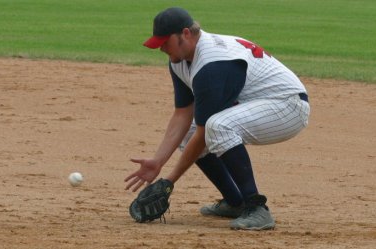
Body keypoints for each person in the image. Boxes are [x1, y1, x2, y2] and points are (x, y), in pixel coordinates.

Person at [125, 7, 310, 230]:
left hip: (287, 106)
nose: (162, 48)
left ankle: (257, 208)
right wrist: (158, 161)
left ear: (185, 34)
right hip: (260, 103)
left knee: (218, 126)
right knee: (193, 131)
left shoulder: (212, 64)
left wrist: (169, 181)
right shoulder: (180, 59)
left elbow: (206, 133)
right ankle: (235, 202)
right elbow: (183, 113)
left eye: (166, 42)